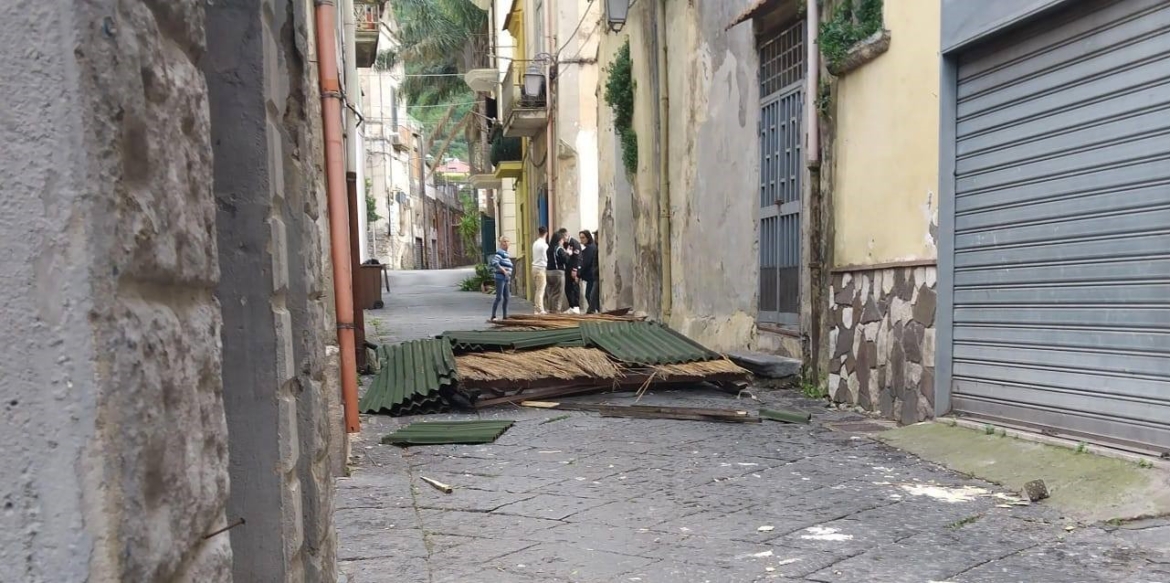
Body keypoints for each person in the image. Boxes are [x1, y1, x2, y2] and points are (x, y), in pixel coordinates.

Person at [488, 237, 513, 321]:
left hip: (506, 278)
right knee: (499, 297)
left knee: (507, 297)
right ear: (501, 243)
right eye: (504, 241)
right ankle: (493, 316)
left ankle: (505, 316)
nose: (506, 243)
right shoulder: (500, 253)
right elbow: (494, 262)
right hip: (500, 277)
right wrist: (503, 270)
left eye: (507, 241)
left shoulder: (506, 254)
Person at [544, 229, 569, 313]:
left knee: (550, 292)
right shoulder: (559, 249)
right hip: (558, 272)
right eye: (562, 239)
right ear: (559, 240)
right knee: (558, 293)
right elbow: (565, 259)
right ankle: (556, 311)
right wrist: (568, 253)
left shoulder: (549, 249)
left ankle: (550, 309)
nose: (563, 241)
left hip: (548, 272)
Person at [579, 230, 600, 313]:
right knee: (592, 295)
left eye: (583, 237)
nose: (581, 240)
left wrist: (579, 274)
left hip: (593, 275)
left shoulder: (591, 248)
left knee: (590, 295)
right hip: (593, 275)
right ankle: (594, 310)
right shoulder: (593, 247)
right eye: (580, 238)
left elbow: (586, 262)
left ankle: (593, 310)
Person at [531, 226, 549, 314]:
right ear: (546, 233)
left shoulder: (535, 243)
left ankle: (537, 308)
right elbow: (546, 258)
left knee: (538, 289)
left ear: (539, 233)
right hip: (541, 268)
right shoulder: (544, 245)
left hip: (534, 267)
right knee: (541, 289)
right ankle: (539, 308)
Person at [564, 236, 582, 314]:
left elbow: (577, 257)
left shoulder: (574, 243)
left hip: (573, 269)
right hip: (569, 268)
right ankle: (572, 306)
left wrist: (575, 270)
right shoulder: (569, 243)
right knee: (568, 288)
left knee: (574, 287)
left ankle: (575, 306)